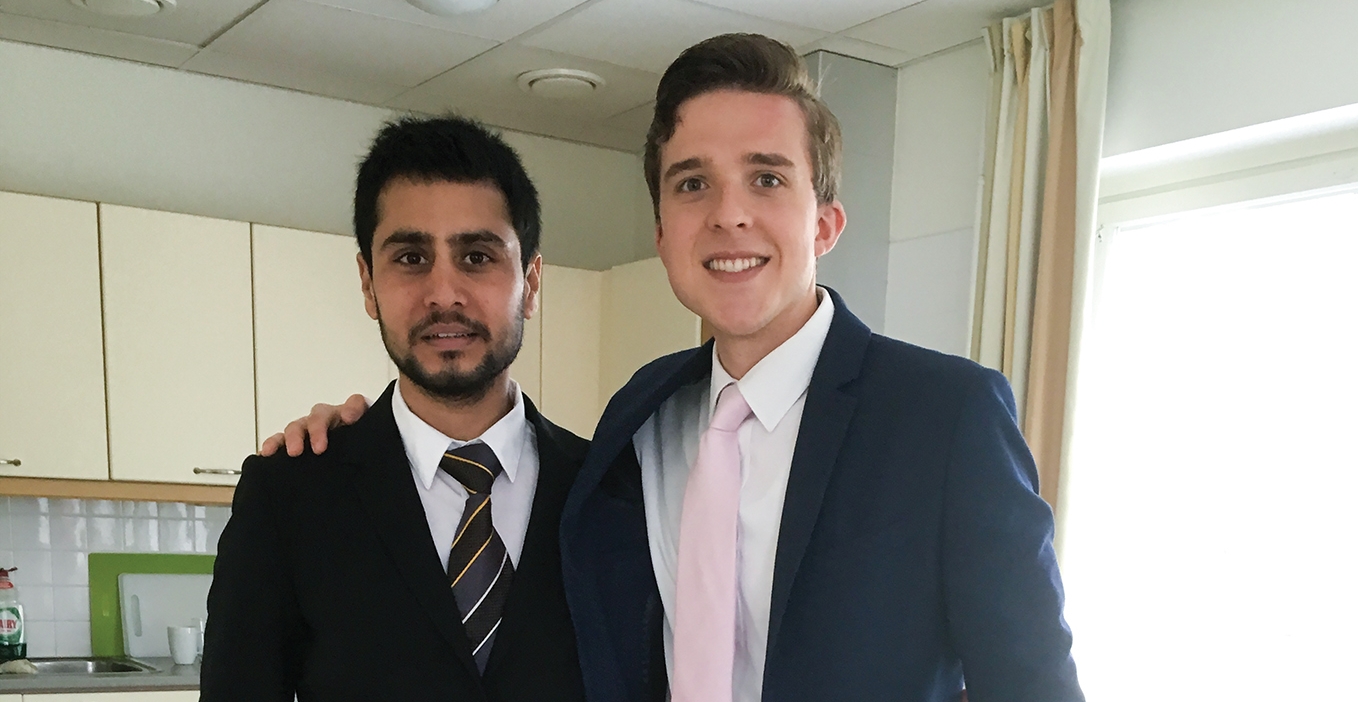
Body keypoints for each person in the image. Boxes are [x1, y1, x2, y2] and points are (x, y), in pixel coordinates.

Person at [273, 34, 1082, 702]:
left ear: (826, 221)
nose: (728, 213)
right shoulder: (641, 419)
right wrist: (360, 438)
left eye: (767, 177)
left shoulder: (945, 417)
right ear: (661, 231)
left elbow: (1034, 686)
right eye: (692, 183)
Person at [202, 116, 587, 702]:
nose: (444, 293)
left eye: (478, 256)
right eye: (410, 257)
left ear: (530, 282)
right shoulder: (289, 496)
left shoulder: (606, 489)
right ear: (367, 282)